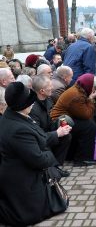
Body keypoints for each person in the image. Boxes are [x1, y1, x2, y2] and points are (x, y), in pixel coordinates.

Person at [0, 82, 70, 226]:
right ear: (24, 105)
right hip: (22, 179)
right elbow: (38, 160)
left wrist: (57, 134)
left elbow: (38, 138)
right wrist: (51, 157)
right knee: (35, 213)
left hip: (20, 171)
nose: (33, 105)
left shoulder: (12, 116)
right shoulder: (18, 129)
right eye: (31, 102)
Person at [50, 73, 96, 166]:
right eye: (94, 87)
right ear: (89, 86)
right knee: (88, 126)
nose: (94, 90)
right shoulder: (77, 96)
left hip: (63, 118)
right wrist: (91, 99)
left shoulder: (78, 90)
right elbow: (87, 114)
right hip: (58, 121)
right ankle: (82, 158)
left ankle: (73, 154)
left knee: (87, 124)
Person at [30, 75, 72, 175]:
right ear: (42, 91)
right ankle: (50, 169)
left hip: (46, 132)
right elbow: (38, 135)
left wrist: (60, 124)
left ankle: (56, 166)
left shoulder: (48, 100)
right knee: (49, 143)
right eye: (49, 85)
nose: (52, 87)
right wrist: (56, 133)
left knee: (67, 135)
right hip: (37, 139)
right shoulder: (32, 108)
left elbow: (49, 121)